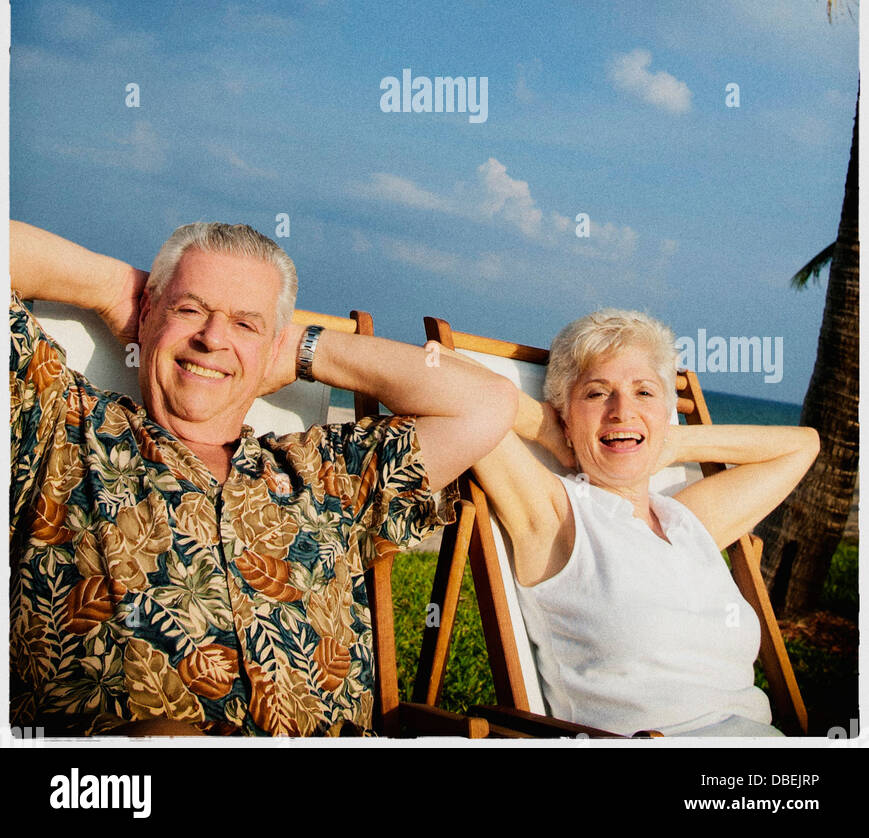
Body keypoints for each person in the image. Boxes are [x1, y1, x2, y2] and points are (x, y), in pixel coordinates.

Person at [9, 220, 517, 737]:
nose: (211, 339)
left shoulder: (325, 474)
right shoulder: (62, 426)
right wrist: (120, 290)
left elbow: (487, 403)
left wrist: (303, 347)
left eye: (244, 325)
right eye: (189, 310)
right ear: (146, 315)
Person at [460, 308, 819, 737]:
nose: (621, 411)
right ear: (563, 414)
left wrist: (671, 441)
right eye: (596, 394)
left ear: (666, 411)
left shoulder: (687, 521)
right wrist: (547, 429)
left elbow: (804, 445)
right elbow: (451, 379)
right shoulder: (557, 515)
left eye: (644, 393)